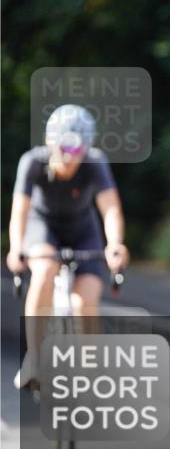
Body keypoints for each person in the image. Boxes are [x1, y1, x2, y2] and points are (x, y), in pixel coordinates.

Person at [7, 104, 130, 389]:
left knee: (84, 301)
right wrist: (16, 248)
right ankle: (34, 359)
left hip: (83, 230)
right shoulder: (32, 162)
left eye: (77, 150)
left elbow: (110, 209)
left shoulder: (95, 162)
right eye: (64, 148)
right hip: (43, 226)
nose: (69, 157)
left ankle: (89, 371)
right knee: (44, 270)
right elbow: (20, 212)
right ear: (50, 143)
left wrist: (115, 245)